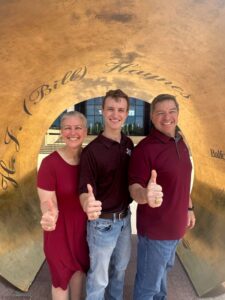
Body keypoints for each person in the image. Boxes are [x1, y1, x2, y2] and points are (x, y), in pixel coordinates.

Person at [129, 94, 196, 300]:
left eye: (171, 111)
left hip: (176, 227)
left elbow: (183, 182)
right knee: (148, 287)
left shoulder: (180, 142)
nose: (167, 117)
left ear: (178, 114)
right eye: (160, 113)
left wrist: (189, 208)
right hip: (156, 231)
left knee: (161, 278)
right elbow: (134, 187)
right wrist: (146, 195)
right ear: (152, 117)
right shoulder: (145, 149)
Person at [79, 89, 134, 300]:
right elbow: (85, 189)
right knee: (99, 278)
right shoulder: (91, 151)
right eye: (110, 109)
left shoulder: (128, 144)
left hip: (125, 219)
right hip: (102, 224)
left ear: (127, 113)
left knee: (120, 271)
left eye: (121, 110)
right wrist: (87, 203)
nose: (115, 114)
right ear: (101, 110)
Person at [37, 111, 89, 300]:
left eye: (77, 127)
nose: (72, 132)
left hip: (83, 230)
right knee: (60, 279)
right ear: (61, 131)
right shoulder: (49, 163)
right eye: (67, 127)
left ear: (85, 130)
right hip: (58, 231)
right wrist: (49, 215)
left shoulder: (90, 160)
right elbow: (46, 201)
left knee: (78, 272)